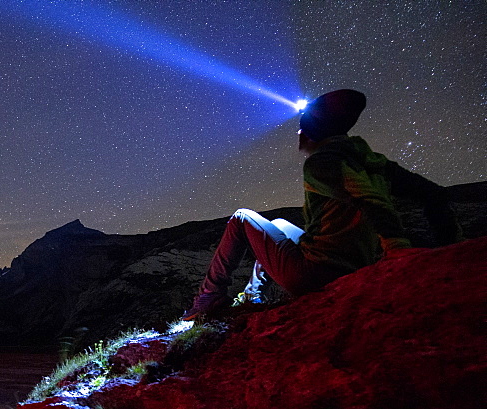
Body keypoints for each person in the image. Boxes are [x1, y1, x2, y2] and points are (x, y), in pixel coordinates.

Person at [181, 89, 462, 321]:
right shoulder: (373, 162)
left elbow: (368, 199)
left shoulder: (323, 162)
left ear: (311, 132)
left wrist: (397, 247)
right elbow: (434, 194)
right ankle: (252, 297)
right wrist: (450, 245)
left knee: (242, 217)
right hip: (352, 268)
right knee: (278, 225)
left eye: (301, 128)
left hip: (314, 274)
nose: (298, 134)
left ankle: (207, 300)